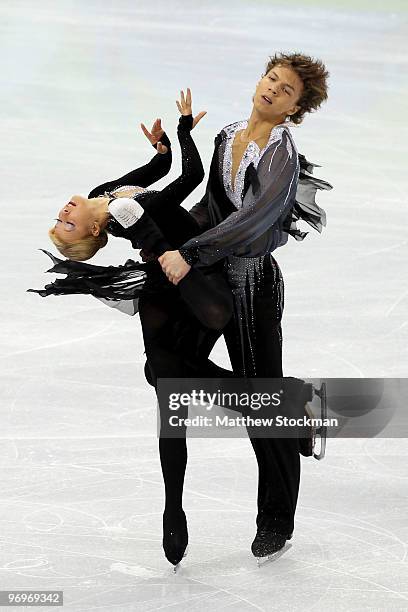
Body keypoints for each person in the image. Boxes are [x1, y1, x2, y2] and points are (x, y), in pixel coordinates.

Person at [157, 52, 333, 561]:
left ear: (295, 110)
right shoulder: (226, 134)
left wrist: (189, 251)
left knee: (262, 408)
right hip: (211, 279)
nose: (274, 90)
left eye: (287, 92)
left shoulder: (282, 152)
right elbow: (212, 208)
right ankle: (296, 402)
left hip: (253, 285)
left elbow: (252, 221)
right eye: (272, 80)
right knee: (166, 365)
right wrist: (164, 231)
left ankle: (276, 515)